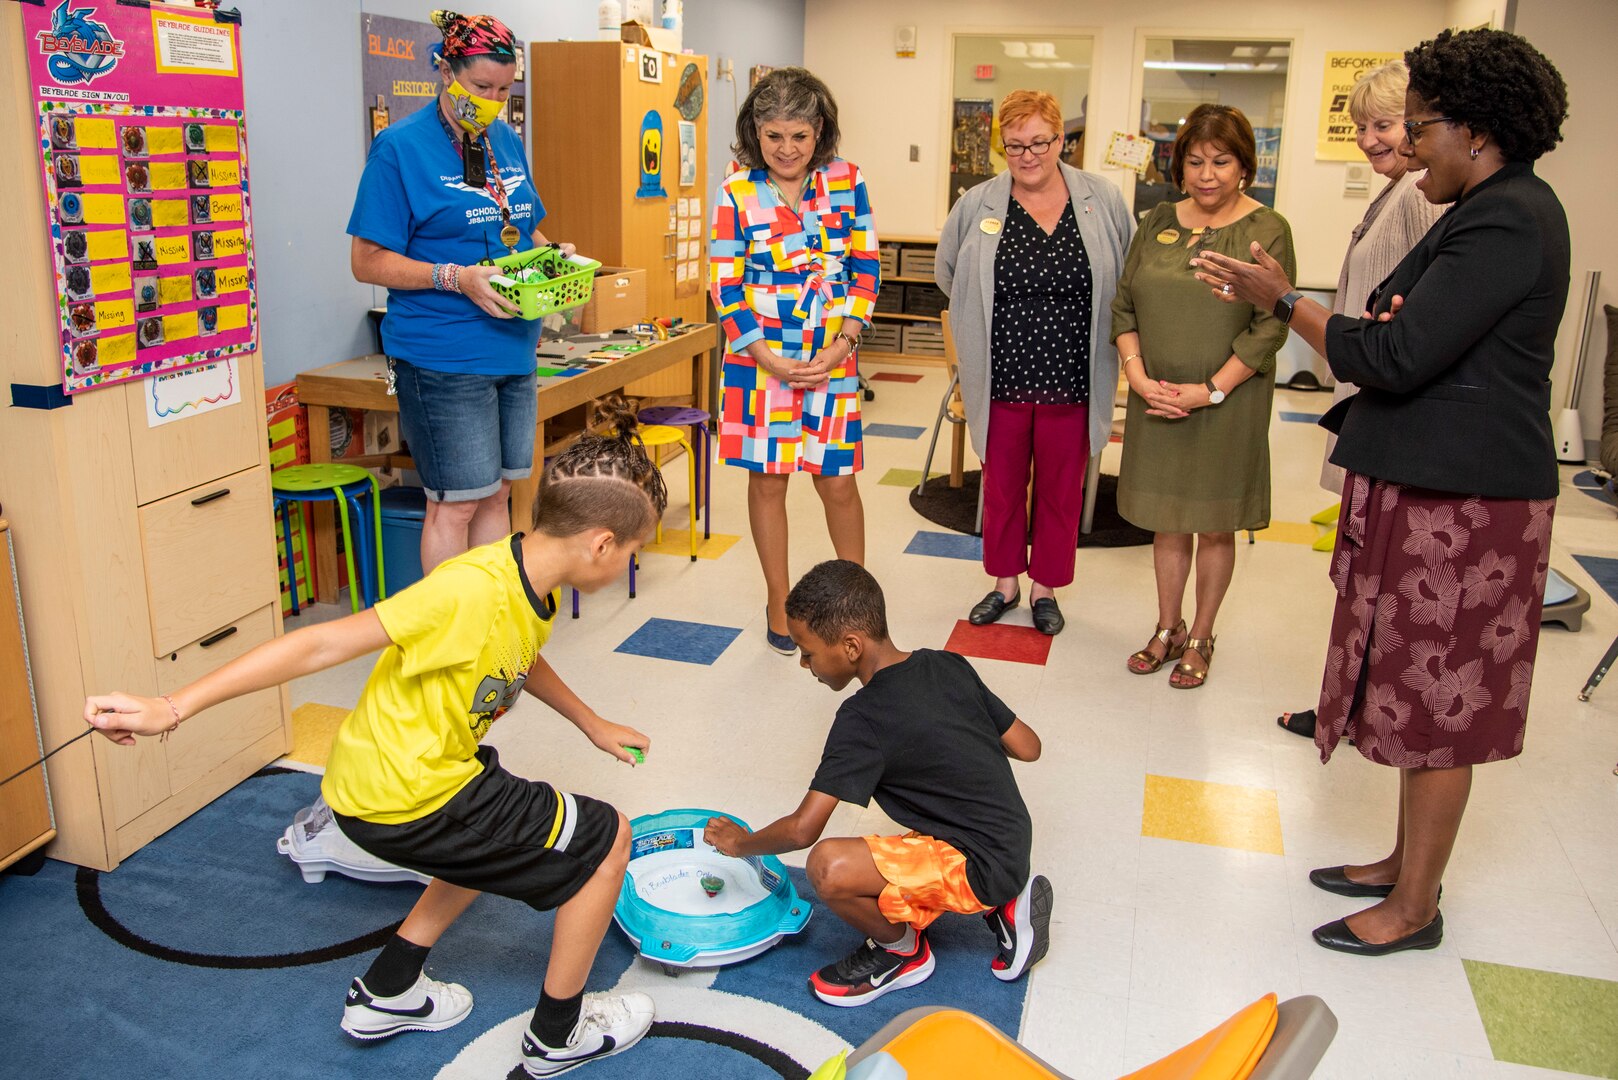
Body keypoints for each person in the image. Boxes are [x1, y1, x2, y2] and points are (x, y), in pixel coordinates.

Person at [84, 400, 667, 1075]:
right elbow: (323, 642)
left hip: (402, 778)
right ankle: (557, 1035)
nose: (628, 560)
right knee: (605, 839)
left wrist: (590, 723)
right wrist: (172, 706)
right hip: (406, 797)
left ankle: (389, 991)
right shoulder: (469, 589)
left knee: (492, 828)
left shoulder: (526, 573)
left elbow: (521, 654)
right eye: (632, 549)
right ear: (601, 543)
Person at [1192, 28, 1569, 955]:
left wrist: (1285, 299)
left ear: (1475, 130)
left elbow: (1388, 351)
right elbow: (1386, 318)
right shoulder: (1471, 208)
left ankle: (1416, 907)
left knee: (1444, 708)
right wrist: (1363, 329)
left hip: (1472, 504)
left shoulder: (1512, 216)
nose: (1410, 146)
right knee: (1410, 684)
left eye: (1424, 128)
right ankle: (1404, 862)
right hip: (1430, 481)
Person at [703, 560, 1051, 1006]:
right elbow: (1028, 746)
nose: (805, 664)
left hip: (977, 864)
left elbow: (802, 830)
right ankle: (1003, 905)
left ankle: (902, 950)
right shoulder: (946, 663)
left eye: (807, 651)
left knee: (828, 866)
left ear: (850, 646)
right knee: (895, 852)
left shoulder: (861, 719)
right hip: (1012, 840)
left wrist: (740, 843)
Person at [349, 11, 574, 574]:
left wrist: (555, 259)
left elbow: (523, 226)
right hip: (443, 355)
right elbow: (366, 261)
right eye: (481, 87)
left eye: (504, 89)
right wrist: (455, 277)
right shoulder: (400, 148)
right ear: (445, 71)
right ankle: (449, 644)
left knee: (498, 495)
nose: (494, 99)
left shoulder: (502, 138)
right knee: (455, 503)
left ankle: (489, 629)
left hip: (513, 347)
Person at [1276, 59, 1444, 740]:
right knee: (1361, 570)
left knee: (1372, 575)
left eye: (1384, 124)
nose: (1371, 140)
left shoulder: (1419, 196)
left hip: (1386, 405)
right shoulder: (1396, 191)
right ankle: (1347, 701)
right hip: (1365, 398)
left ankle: (1350, 707)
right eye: (1361, 128)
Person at [936, 90, 1135, 636]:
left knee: (1060, 489)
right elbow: (948, 272)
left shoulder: (1102, 199)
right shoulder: (977, 203)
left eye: (1039, 143)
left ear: (1061, 140)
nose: (1028, 156)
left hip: (1073, 376)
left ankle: (1046, 588)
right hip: (1001, 376)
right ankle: (1004, 584)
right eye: (1015, 146)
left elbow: (1126, 272)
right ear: (1003, 147)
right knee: (1000, 486)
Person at [1112, 104, 1296, 688]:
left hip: (1228, 403)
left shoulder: (1268, 229)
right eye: (1195, 161)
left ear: (1245, 165)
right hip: (1157, 396)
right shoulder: (1157, 219)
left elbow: (1272, 323)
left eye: (1221, 161)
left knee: (1214, 524)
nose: (1207, 174)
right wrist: (1139, 380)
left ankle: (1202, 635)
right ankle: (1167, 627)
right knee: (1168, 521)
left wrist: (1210, 390)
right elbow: (1124, 305)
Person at [710, 68, 880, 654]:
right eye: (773, 135)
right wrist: (765, 356)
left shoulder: (847, 182)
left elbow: (865, 270)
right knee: (769, 482)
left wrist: (843, 345)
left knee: (837, 484)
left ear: (820, 132)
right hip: (760, 366)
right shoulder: (736, 191)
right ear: (755, 133)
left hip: (833, 360)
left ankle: (857, 607)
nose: (786, 149)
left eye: (799, 136)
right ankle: (779, 602)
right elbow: (726, 284)